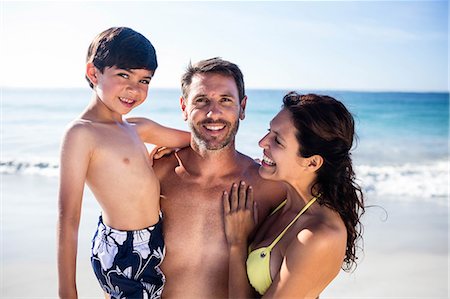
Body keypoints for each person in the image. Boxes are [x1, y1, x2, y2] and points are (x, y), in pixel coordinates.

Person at [57, 27, 190, 299]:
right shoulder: (82, 133)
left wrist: (169, 150)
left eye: (145, 81)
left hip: (153, 241)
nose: (134, 89)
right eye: (124, 75)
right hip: (123, 249)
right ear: (94, 73)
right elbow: (68, 217)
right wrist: (67, 292)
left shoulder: (138, 127)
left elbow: (195, 142)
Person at [140, 57, 286, 298]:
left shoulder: (268, 187)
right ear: (184, 107)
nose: (213, 112)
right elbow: (117, 252)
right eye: (201, 100)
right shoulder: (157, 171)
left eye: (225, 100)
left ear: (243, 107)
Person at [223, 92, 365, 298]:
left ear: (312, 162)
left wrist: (237, 244)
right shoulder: (286, 198)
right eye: (268, 131)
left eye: (277, 141)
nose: (262, 142)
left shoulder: (319, 236)